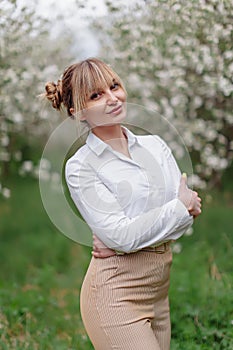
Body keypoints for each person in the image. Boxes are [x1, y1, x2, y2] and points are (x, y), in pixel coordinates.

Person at [44, 57, 201, 350]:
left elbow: (185, 221)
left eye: (114, 86)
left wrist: (168, 217)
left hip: (158, 293)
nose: (112, 98)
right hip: (115, 293)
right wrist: (178, 209)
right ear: (78, 112)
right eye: (96, 95)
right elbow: (126, 236)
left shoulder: (156, 146)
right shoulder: (81, 166)